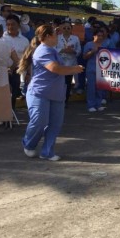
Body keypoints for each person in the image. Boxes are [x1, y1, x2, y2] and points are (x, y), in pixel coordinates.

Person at [19, 25, 84, 161]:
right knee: (39, 122)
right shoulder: (42, 51)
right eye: (55, 34)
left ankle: (47, 152)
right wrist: (74, 69)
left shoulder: (52, 50)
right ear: (48, 36)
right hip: (39, 92)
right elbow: (55, 69)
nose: (58, 36)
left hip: (56, 92)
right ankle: (29, 143)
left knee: (55, 124)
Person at [0, 14, 29, 108]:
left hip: (16, 71)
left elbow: (27, 58)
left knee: (14, 94)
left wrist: (28, 73)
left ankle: (10, 117)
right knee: (1, 94)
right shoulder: (1, 38)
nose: (10, 27)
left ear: (18, 25)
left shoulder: (24, 41)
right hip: (2, 70)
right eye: (8, 24)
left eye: (13, 24)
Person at [55, 20, 81, 105]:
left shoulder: (75, 38)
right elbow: (53, 49)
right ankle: (58, 99)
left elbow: (79, 50)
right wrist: (63, 50)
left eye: (68, 28)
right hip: (60, 63)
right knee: (59, 82)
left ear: (71, 29)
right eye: (64, 28)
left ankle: (65, 101)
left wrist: (72, 51)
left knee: (68, 83)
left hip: (70, 63)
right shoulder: (57, 37)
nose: (66, 29)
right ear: (62, 29)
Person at [83, 29, 107, 112]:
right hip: (91, 69)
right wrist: (93, 51)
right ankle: (91, 105)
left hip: (102, 69)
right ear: (94, 36)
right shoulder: (89, 44)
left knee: (100, 88)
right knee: (91, 88)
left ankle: (99, 104)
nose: (100, 37)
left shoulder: (104, 45)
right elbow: (84, 56)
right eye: (98, 35)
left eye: (101, 36)